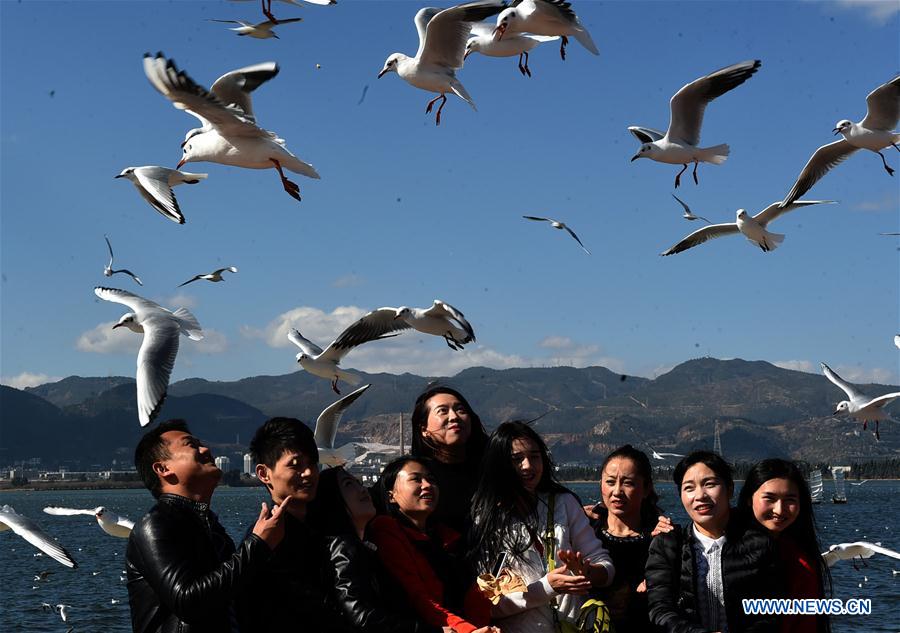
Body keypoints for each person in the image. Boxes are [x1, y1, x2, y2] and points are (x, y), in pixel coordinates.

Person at [126, 419, 288, 633]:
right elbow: (187, 601)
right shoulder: (154, 525)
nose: (205, 449)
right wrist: (257, 545)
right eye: (191, 445)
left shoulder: (212, 528)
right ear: (163, 468)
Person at [469, 421, 615, 633]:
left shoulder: (564, 503)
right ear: (498, 465)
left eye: (535, 456)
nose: (528, 465)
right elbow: (487, 605)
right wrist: (547, 587)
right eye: (517, 459)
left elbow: (606, 568)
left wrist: (588, 572)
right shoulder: (485, 520)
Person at [645, 450, 781, 633]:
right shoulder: (667, 544)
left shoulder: (759, 543)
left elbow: (771, 612)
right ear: (681, 496)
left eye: (709, 484)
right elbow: (660, 610)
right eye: (689, 488)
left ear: (730, 489)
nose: (700, 495)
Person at [368, 456, 499, 633]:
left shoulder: (448, 539)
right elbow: (419, 599)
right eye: (416, 479)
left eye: (431, 479)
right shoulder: (387, 531)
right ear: (391, 496)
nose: (427, 485)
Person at [307, 465, 442, 633]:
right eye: (349, 485)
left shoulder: (364, 545)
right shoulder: (343, 546)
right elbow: (360, 615)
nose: (362, 489)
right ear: (333, 499)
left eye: (358, 483)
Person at [236, 417, 340, 632]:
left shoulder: (328, 522)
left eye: (312, 463)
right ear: (264, 474)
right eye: (295, 465)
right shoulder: (264, 541)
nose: (309, 473)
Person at [737, 459, 831, 633]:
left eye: (790, 500)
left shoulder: (803, 558)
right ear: (750, 499)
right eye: (769, 498)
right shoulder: (727, 545)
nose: (779, 510)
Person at [589, 445, 671, 632]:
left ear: (646, 488)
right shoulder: (585, 532)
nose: (617, 491)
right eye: (610, 482)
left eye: (628, 483)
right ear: (600, 484)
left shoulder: (660, 537)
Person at [409, 386, 490, 534]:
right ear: (423, 429)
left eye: (460, 410)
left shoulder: (493, 469)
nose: (454, 416)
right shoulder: (414, 476)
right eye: (442, 411)